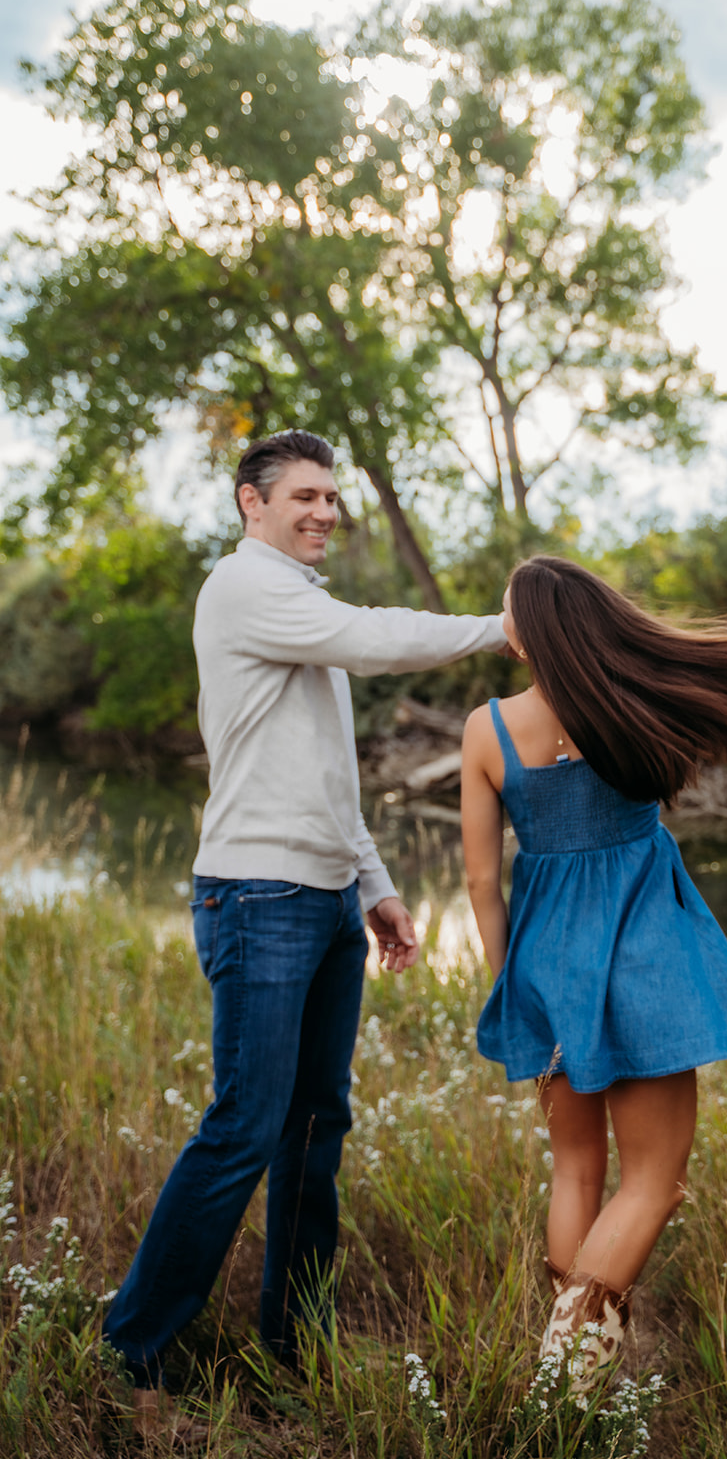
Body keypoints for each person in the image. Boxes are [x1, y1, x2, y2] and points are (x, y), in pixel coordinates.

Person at [103, 430, 506, 1434]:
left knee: (317, 1125)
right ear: (252, 502)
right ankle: (132, 1353)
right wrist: (500, 626)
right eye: (306, 495)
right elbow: (378, 638)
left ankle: (295, 1336)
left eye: (334, 495)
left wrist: (371, 885)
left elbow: (326, 771)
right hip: (255, 896)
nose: (325, 510)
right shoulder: (247, 590)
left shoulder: (301, 612)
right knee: (244, 1124)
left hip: (321, 898)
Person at [460, 555, 727, 1394]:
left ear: (529, 633)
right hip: (646, 957)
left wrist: (511, 982)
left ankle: (565, 1370)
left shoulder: (488, 728)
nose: (501, 622)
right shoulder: (637, 702)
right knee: (653, 1180)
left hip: (545, 966)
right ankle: (566, 1383)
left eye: (505, 610)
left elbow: (480, 881)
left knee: (575, 1169)